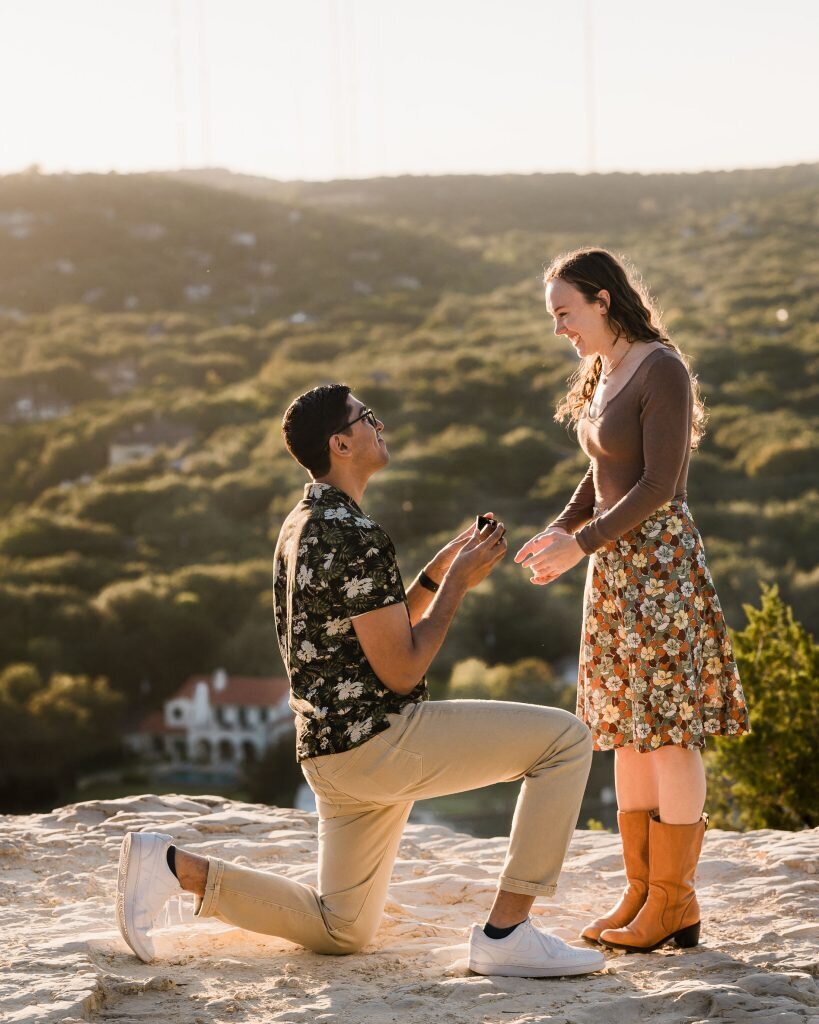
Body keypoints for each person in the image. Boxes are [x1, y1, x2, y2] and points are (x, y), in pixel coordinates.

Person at [116, 383, 605, 978]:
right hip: (378, 743)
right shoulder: (356, 535)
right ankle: (508, 932)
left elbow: (373, 630)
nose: (380, 425)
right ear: (341, 442)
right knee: (565, 741)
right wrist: (457, 589)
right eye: (366, 418)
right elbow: (400, 669)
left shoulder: (303, 522)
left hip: (330, 755)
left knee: (341, 930)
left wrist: (434, 573)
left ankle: (170, 867)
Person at [515, 248, 750, 954]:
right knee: (621, 731)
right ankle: (641, 891)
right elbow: (601, 474)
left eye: (565, 312)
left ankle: (674, 902)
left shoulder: (661, 370)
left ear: (601, 300)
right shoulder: (604, 370)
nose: (559, 327)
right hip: (612, 568)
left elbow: (655, 485)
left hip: (659, 565)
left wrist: (578, 544)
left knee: (670, 733)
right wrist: (559, 529)